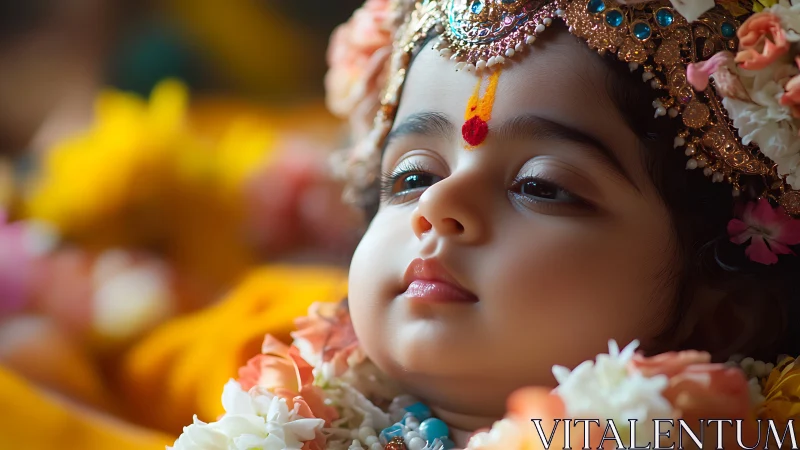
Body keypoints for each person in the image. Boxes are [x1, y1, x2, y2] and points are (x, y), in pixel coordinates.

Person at [169, 0, 800, 449]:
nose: (437, 205)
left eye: (540, 186)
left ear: (723, 314)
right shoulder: (282, 407)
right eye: (412, 176)